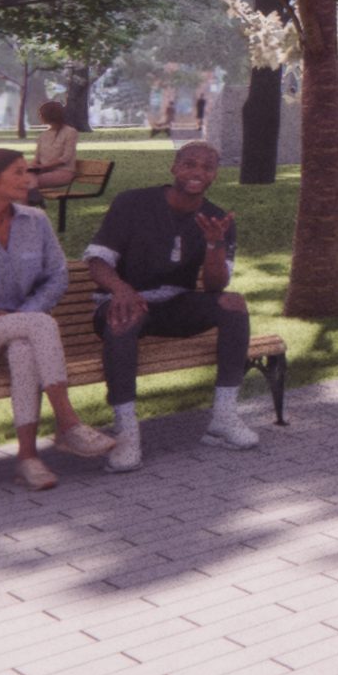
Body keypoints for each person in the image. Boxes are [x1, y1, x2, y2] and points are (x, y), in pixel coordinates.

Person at [0, 149, 117, 489]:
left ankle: (28, 459)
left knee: (23, 348)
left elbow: (58, 276)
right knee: (40, 323)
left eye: (27, 171)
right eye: (18, 172)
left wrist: (14, 315)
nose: (28, 179)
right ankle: (68, 423)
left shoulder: (36, 221)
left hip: (19, 326)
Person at [82, 141, 260, 472]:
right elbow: (97, 261)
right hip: (122, 302)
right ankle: (126, 432)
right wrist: (121, 289)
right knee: (124, 317)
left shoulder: (218, 218)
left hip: (174, 304)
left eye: (207, 167)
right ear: (174, 168)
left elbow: (215, 286)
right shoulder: (133, 203)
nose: (197, 172)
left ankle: (222, 418)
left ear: (214, 175)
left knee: (233, 304)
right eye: (190, 164)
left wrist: (214, 244)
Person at [28, 100, 79, 201]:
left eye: (41, 114)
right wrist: (32, 166)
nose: (40, 116)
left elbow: (66, 158)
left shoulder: (70, 132)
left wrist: (44, 166)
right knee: (19, 179)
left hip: (63, 172)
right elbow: (36, 158)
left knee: (25, 182)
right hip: (41, 172)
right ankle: (33, 199)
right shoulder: (43, 135)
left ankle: (32, 202)